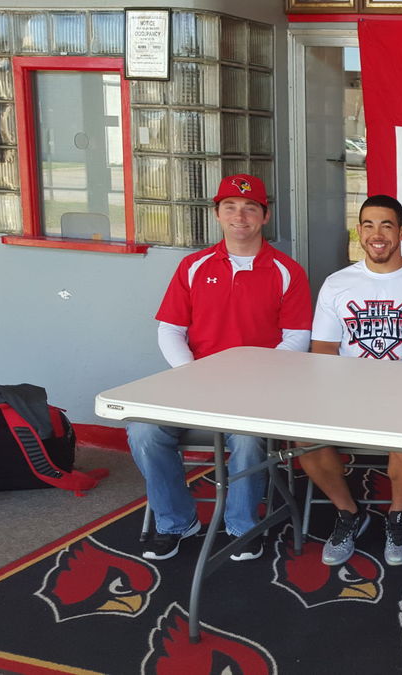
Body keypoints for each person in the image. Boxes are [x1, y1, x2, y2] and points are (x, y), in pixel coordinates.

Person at [129, 174, 312, 561]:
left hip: (257, 388)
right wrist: (193, 375)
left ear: (265, 216)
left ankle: (242, 526)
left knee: (246, 442)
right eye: (229, 207)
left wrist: (255, 378)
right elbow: (170, 331)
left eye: (250, 208)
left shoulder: (286, 271)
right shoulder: (193, 266)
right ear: (217, 214)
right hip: (194, 383)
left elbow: (297, 338)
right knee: (143, 432)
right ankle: (176, 522)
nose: (239, 215)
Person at [304, 194, 402, 567]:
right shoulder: (338, 283)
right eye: (368, 224)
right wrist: (354, 385)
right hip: (347, 390)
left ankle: (397, 517)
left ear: (401, 231)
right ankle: (349, 513)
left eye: (386, 224)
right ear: (359, 231)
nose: (377, 233)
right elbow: (321, 347)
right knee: (305, 439)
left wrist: (391, 382)